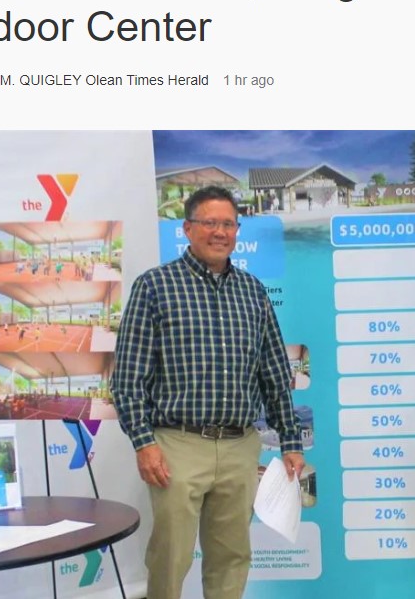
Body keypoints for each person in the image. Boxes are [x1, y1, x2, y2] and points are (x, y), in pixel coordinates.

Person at [111, 186, 304, 599]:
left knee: (232, 555)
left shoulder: (253, 292)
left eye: (229, 224)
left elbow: (273, 370)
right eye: (210, 223)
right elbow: (127, 377)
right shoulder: (155, 287)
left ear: (237, 230)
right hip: (177, 445)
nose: (220, 232)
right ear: (187, 228)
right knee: (171, 555)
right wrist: (144, 444)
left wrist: (290, 439)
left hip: (239, 446)